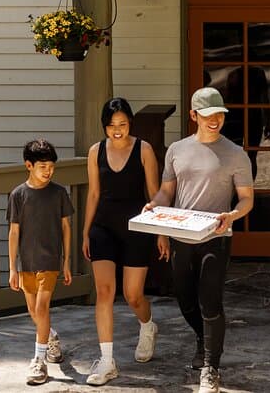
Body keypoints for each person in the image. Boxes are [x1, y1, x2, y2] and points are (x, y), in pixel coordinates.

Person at [143, 87, 254, 393]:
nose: (214, 120)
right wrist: (156, 206)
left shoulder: (235, 154)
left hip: (216, 235)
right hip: (181, 236)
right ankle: (203, 339)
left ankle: (211, 367)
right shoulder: (177, 150)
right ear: (194, 116)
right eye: (207, 115)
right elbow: (167, 191)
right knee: (185, 298)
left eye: (219, 114)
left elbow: (247, 199)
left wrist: (232, 215)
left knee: (210, 300)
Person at [82, 98, 165, 386]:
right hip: (103, 227)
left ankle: (147, 325)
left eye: (122, 124)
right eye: (111, 125)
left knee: (133, 296)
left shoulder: (144, 149)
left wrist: (161, 232)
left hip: (137, 229)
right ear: (104, 126)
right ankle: (107, 362)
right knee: (104, 292)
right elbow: (93, 194)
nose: (117, 130)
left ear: (130, 123)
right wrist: (86, 231)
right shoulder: (96, 151)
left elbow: (155, 195)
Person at [7, 138, 74, 386]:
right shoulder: (18, 195)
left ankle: (39, 360)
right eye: (42, 166)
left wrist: (66, 261)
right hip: (27, 262)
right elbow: (14, 232)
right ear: (29, 165)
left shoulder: (58, 193)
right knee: (34, 312)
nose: (48, 171)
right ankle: (51, 337)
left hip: (50, 260)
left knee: (43, 308)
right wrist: (12, 267)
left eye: (51, 167)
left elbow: (66, 227)